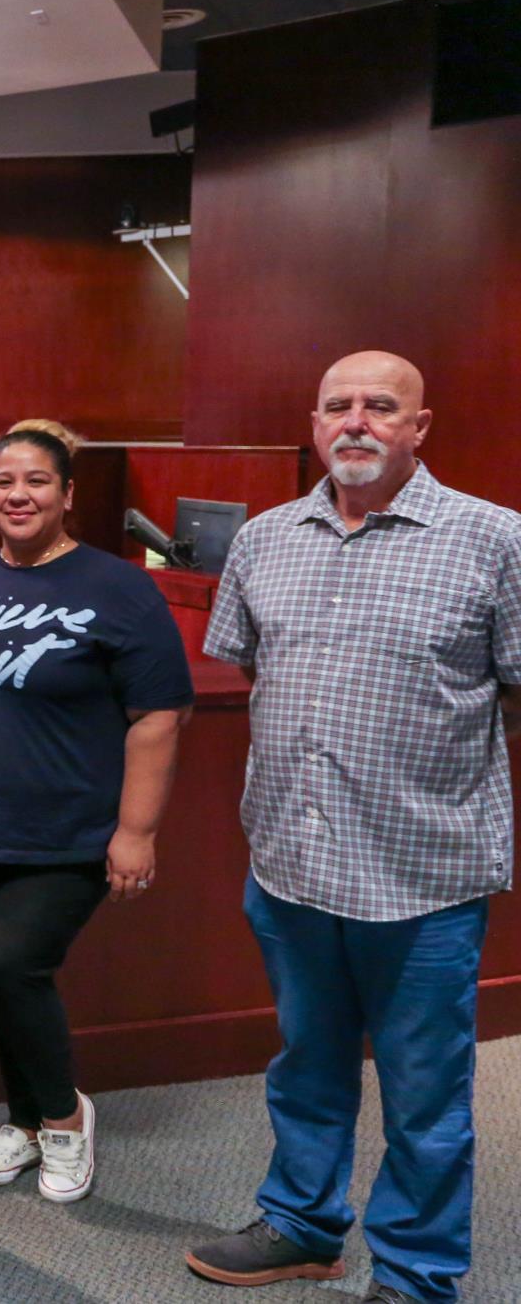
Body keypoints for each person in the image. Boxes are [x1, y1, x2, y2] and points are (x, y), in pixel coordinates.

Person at [186, 352, 521, 1304]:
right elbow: (259, 669)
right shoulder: (265, 539)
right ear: (316, 420)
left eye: (383, 406)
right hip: (291, 866)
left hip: (422, 875)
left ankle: (417, 1275)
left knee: (425, 1099)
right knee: (307, 1065)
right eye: (339, 406)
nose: (358, 422)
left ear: (422, 426)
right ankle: (301, 1223)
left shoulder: (495, 539)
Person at [0, 421, 192, 1206]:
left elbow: (159, 715)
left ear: (68, 494)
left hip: (67, 829)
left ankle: (65, 1115)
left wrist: (136, 831)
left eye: (37, 481)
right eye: (4, 482)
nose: (18, 495)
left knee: (9, 964)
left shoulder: (117, 586)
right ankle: (23, 1116)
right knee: (8, 981)